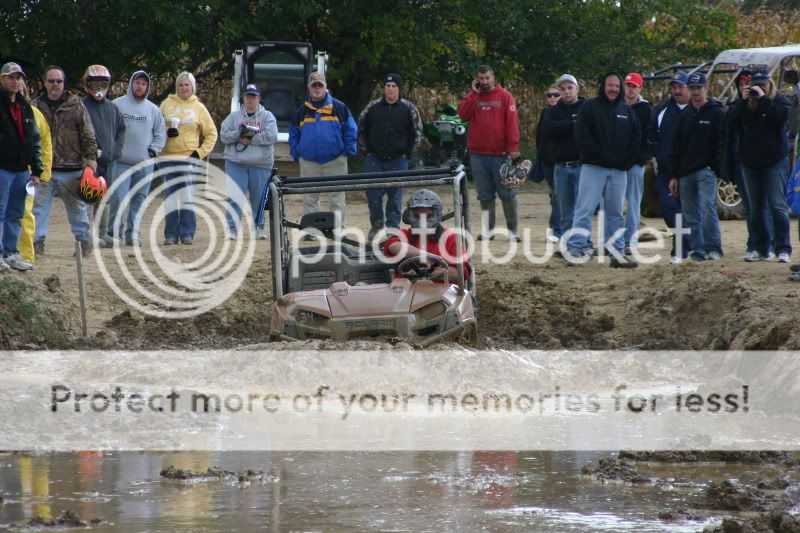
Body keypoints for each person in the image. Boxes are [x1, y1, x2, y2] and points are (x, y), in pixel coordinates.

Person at [567, 72, 640, 268]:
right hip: (593, 168)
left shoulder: (627, 110)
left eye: (617, 86)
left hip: (618, 171)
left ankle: (616, 253)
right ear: (603, 86)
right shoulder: (590, 107)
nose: (614, 89)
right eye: (610, 85)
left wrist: (625, 160)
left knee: (616, 212)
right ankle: (576, 250)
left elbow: (635, 138)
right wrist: (603, 156)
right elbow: (583, 136)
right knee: (584, 209)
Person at [32, 65, 98, 257]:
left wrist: (90, 163)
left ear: (64, 83)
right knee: (39, 210)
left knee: (77, 211)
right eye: (51, 81)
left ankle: (84, 244)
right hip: (44, 169)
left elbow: (88, 136)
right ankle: (37, 245)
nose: (55, 85)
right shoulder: (35, 107)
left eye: (59, 81)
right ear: (45, 83)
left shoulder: (76, 105)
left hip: (73, 168)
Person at [728, 70, 791, 264]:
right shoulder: (745, 105)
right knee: (755, 208)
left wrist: (764, 99)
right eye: (756, 85)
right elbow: (730, 123)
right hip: (750, 163)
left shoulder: (779, 101)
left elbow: (779, 120)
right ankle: (759, 248)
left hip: (774, 162)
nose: (759, 88)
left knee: (777, 206)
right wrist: (742, 101)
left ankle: (782, 248)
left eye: (763, 84)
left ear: (769, 83)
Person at [289, 71, 358, 238]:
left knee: (337, 197)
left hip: (335, 160)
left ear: (326, 87)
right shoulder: (301, 111)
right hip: (309, 162)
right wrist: (297, 152)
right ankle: (312, 230)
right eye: (314, 85)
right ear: (309, 88)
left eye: (320, 85)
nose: (317, 88)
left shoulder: (339, 107)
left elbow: (351, 129)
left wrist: (347, 151)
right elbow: (293, 133)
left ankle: (338, 229)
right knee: (310, 198)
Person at [457, 65, 521, 241]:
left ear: (493, 78)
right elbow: (462, 114)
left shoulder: (505, 97)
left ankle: (513, 230)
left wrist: (513, 147)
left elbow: (512, 123)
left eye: (487, 78)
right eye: (481, 78)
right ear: (477, 79)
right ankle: (488, 230)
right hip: (478, 154)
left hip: (501, 154)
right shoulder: (474, 97)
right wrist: (473, 94)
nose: (484, 82)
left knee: (507, 193)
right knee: (485, 195)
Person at [668, 72, 726, 262]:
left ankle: (714, 248)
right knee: (691, 214)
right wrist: (674, 175)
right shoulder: (685, 115)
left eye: (698, 88)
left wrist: (715, 166)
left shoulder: (717, 112)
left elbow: (722, 143)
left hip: (706, 171)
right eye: (692, 88)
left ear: (706, 87)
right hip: (685, 173)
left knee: (707, 207)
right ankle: (699, 251)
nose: (695, 92)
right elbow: (676, 146)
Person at [358, 73, 422, 240]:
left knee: (395, 195)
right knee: (373, 194)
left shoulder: (409, 109)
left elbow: (417, 133)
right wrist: (366, 152)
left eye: (394, 86)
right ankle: (376, 226)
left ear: (399, 89)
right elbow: (361, 129)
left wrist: (408, 154)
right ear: (384, 88)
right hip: (374, 159)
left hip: (398, 159)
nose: (390, 89)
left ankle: (392, 229)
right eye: (388, 86)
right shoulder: (372, 107)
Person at [159, 71, 218, 245]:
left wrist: (199, 153)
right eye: (181, 85)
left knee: (186, 196)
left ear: (193, 87)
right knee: (170, 196)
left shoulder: (199, 108)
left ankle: (187, 233)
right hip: (167, 158)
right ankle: (170, 234)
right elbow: (155, 127)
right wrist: (165, 133)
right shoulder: (166, 104)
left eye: (187, 85)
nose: (184, 88)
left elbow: (212, 133)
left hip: (188, 159)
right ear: (176, 87)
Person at [112, 70, 166, 246]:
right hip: (120, 162)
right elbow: (108, 130)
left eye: (143, 84)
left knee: (140, 199)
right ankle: (114, 233)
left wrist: (154, 150)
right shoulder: (117, 105)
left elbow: (160, 133)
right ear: (131, 84)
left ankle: (133, 234)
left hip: (144, 164)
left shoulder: (153, 109)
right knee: (118, 198)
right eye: (137, 83)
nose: (140, 86)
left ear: (147, 87)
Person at [219, 83, 278, 240]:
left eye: (254, 96)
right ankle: (232, 229)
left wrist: (250, 139)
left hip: (261, 164)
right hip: (236, 163)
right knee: (234, 196)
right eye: (247, 96)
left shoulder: (268, 117)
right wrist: (239, 135)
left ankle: (259, 228)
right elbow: (224, 135)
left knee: (259, 198)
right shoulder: (233, 117)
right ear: (243, 98)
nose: (250, 100)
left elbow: (271, 136)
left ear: (259, 98)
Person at [0, 62, 42, 271]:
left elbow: (34, 139)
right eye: (10, 77)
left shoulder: (25, 106)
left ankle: (10, 253)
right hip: (2, 168)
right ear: (2, 79)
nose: (15, 81)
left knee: (15, 213)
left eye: (18, 78)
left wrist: (36, 170)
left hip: (21, 170)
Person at [383, 189, 471, 282]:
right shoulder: (404, 235)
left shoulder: (451, 238)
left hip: (440, 293)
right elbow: (393, 246)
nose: (423, 220)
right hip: (406, 292)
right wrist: (425, 256)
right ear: (409, 215)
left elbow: (461, 272)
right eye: (418, 215)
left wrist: (427, 273)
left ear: (438, 214)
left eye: (428, 215)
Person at [81, 65, 125, 247]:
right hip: (89, 161)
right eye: (95, 83)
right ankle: (88, 235)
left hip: (109, 160)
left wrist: (115, 150)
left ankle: (102, 232)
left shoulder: (112, 108)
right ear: (87, 83)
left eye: (103, 83)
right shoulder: (81, 106)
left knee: (105, 197)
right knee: (89, 197)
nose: (99, 87)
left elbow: (122, 130)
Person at [650, 71, 691, 263]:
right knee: (669, 210)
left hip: (691, 171)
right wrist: (659, 156)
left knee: (691, 211)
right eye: (674, 87)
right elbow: (653, 137)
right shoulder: (661, 111)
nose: (677, 90)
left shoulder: (698, 109)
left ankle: (680, 251)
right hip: (666, 171)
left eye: (680, 86)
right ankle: (684, 243)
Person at [541, 74, 585, 248]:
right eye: (563, 89)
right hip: (561, 167)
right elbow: (548, 130)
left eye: (570, 88)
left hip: (582, 166)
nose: (566, 92)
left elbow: (588, 129)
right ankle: (568, 245)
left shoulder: (586, 107)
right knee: (566, 211)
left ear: (577, 89)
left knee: (582, 210)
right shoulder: (552, 111)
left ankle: (583, 242)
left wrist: (564, 126)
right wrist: (574, 124)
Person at [16, 78, 52, 265]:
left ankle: (25, 256)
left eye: (22, 92)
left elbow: (45, 145)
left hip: (26, 176)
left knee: (25, 215)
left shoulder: (35, 115)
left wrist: (42, 172)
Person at [622, 72, 652, 253]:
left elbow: (647, 137)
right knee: (614, 204)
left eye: (634, 86)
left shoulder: (646, 109)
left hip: (635, 164)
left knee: (633, 203)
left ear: (640, 88)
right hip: (616, 163)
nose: (630, 89)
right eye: (628, 85)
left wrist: (640, 160)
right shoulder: (616, 106)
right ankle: (615, 240)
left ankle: (630, 240)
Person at [536, 84, 561, 243]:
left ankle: (558, 229)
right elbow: (540, 136)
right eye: (549, 95)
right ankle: (557, 229)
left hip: (561, 161)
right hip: (547, 161)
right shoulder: (545, 112)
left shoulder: (566, 112)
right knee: (555, 195)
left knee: (558, 196)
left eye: (555, 95)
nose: (552, 98)